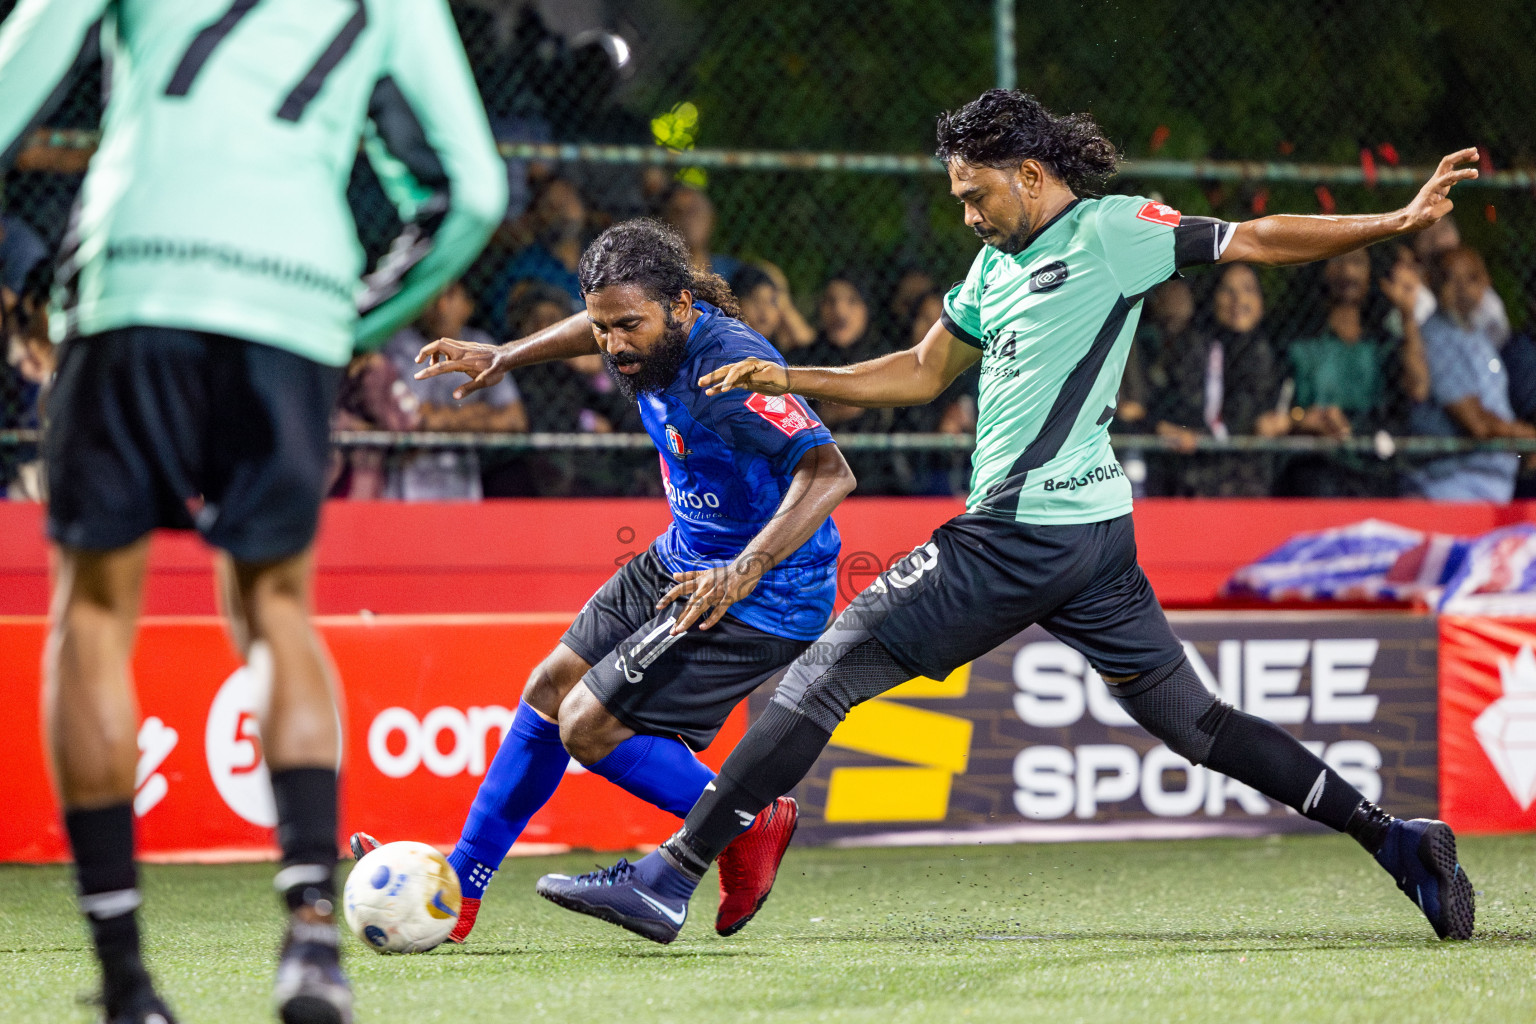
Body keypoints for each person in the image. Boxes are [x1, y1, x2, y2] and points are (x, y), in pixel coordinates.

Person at [539, 90, 1481, 946]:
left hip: (1024, 533)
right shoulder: (994, 264)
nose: (968, 212)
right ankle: (1395, 837)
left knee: (827, 666)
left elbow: (1256, 240)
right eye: (958, 197)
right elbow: (916, 371)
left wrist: (1395, 221)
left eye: (977, 192)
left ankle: (670, 876)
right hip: (1091, 541)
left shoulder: (1115, 232)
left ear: (1032, 175)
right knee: (1195, 723)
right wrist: (794, 376)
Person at [0, 1, 506, 1021]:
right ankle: (313, 936)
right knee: (276, 612)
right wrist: (349, 316)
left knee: (94, 615)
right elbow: (473, 193)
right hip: (292, 306)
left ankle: (127, 977)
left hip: (134, 284)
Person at [357, 219, 856, 944]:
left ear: (683, 307)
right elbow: (597, 321)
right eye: (604, 326)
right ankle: (461, 887)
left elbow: (830, 470)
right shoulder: (640, 333)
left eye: (630, 325)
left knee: (587, 727)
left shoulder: (728, 368)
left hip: (764, 588)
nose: (615, 344)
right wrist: (506, 354)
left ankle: (748, 816)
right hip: (681, 553)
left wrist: (742, 570)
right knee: (548, 689)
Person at [1274, 248, 1430, 495]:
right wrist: (1306, 419)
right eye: (1337, 260)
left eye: (1357, 262)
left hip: (1373, 456)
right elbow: (1277, 412)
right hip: (1317, 460)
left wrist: (1407, 314)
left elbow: (1418, 389)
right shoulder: (1298, 341)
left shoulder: (1383, 343)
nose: (1347, 271)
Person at [1146, 263, 1289, 496]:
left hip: (1252, 469)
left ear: (1261, 303)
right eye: (1227, 290)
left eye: (1248, 289)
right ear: (1213, 298)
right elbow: (1176, 406)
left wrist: (1287, 420)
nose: (1238, 300)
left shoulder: (1272, 352)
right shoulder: (1196, 347)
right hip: (1198, 463)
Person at [1405, 246, 1533, 501]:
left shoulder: (1478, 336)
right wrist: (1530, 438)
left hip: (1492, 486)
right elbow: (1477, 423)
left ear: (1487, 282)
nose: (1462, 288)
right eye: (1451, 279)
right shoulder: (1436, 337)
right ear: (1433, 283)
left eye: (1472, 278)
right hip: (1450, 487)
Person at [384, 280, 526, 501]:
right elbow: (416, 420)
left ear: (468, 306)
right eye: (434, 296)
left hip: (463, 491)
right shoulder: (400, 345)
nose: (440, 307)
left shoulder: (482, 346)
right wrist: (479, 412)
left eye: (450, 295)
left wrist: (444, 418)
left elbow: (514, 419)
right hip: (407, 493)